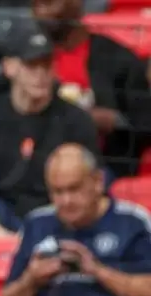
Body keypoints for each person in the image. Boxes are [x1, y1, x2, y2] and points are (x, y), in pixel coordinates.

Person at [1, 144, 151, 296]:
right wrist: (31, 279)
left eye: (74, 189)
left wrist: (98, 271)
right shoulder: (37, 224)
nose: (66, 201)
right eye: (57, 192)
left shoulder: (132, 222)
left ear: (98, 181)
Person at [0, 30, 98, 236]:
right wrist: (3, 238)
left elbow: (86, 195)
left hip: (58, 218)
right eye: (31, 65)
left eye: (46, 65)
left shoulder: (77, 121)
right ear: (9, 67)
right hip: (2, 220)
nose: (40, 74)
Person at [33, 0, 151, 178]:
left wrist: (114, 121)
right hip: (36, 167)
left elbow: (145, 123)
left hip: (102, 168)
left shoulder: (118, 59)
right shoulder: (30, 60)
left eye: (49, 3)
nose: (40, 13)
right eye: (35, 5)